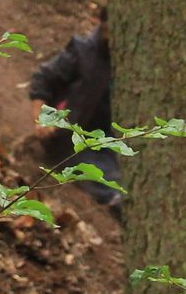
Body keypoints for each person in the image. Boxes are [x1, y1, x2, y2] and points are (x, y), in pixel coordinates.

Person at [27, 24, 123, 209]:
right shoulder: (83, 51)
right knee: (103, 178)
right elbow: (43, 79)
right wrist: (41, 119)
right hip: (70, 140)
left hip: (108, 141)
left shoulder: (132, 63)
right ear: (104, 26)